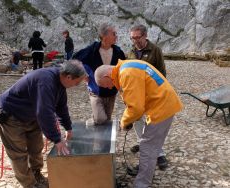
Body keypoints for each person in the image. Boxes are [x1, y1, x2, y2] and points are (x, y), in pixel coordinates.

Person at [0, 60, 87, 188]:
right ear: (69, 76)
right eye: (77, 83)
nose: (76, 86)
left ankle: (36, 173)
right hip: (11, 115)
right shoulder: (45, 81)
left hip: (31, 115)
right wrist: (57, 139)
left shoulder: (61, 84)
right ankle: (29, 184)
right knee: (19, 154)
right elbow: (44, 112)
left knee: (36, 147)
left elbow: (61, 107)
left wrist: (68, 127)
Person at [94, 59, 183, 188]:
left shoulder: (126, 73)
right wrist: (131, 117)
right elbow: (135, 99)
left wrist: (123, 122)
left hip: (161, 107)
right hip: (165, 102)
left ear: (107, 76)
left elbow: (136, 108)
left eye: (105, 85)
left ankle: (142, 184)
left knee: (147, 147)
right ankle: (146, 167)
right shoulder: (126, 67)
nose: (109, 87)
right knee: (151, 145)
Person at [128, 24, 168, 170]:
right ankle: (142, 143)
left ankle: (159, 153)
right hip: (136, 95)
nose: (135, 41)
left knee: (154, 124)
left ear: (145, 35)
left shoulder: (155, 50)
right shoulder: (131, 52)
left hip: (152, 95)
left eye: (138, 37)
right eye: (133, 38)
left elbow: (162, 74)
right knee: (138, 121)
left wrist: (158, 93)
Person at [73, 23, 125, 125]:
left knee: (106, 120)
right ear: (104, 36)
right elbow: (74, 61)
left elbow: (124, 69)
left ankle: (101, 140)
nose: (116, 36)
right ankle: (93, 120)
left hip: (111, 92)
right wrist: (83, 74)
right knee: (100, 119)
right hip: (95, 91)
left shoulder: (118, 52)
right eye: (113, 34)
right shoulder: (91, 50)